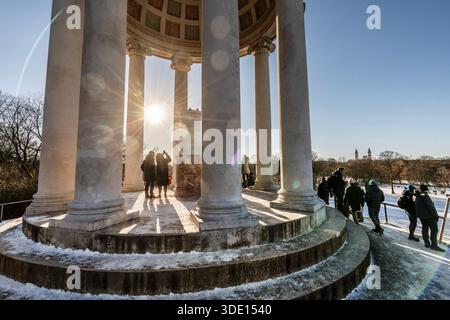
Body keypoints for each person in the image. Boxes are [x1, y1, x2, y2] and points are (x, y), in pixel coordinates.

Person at [415, 185, 445, 252]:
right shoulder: (424, 196)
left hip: (421, 216)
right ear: (425, 190)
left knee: (425, 228)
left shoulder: (417, 195)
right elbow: (430, 207)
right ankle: (434, 245)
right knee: (434, 230)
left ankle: (426, 242)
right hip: (429, 216)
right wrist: (436, 216)